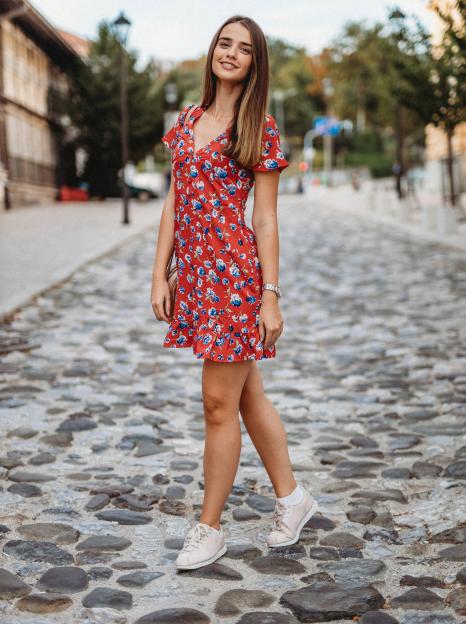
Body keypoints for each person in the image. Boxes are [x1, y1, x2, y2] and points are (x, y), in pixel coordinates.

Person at [150, 14, 318, 571]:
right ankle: (292, 500)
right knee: (247, 396)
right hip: (195, 277)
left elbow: (265, 219)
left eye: (243, 49)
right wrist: (161, 272)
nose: (231, 53)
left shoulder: (259, 126)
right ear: (213, 52)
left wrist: (271, 293)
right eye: (225, 43)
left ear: (254, 63)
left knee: (218, 402)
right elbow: (175, 201)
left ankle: (210, 527)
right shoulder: (188, 119)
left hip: (234, 276)